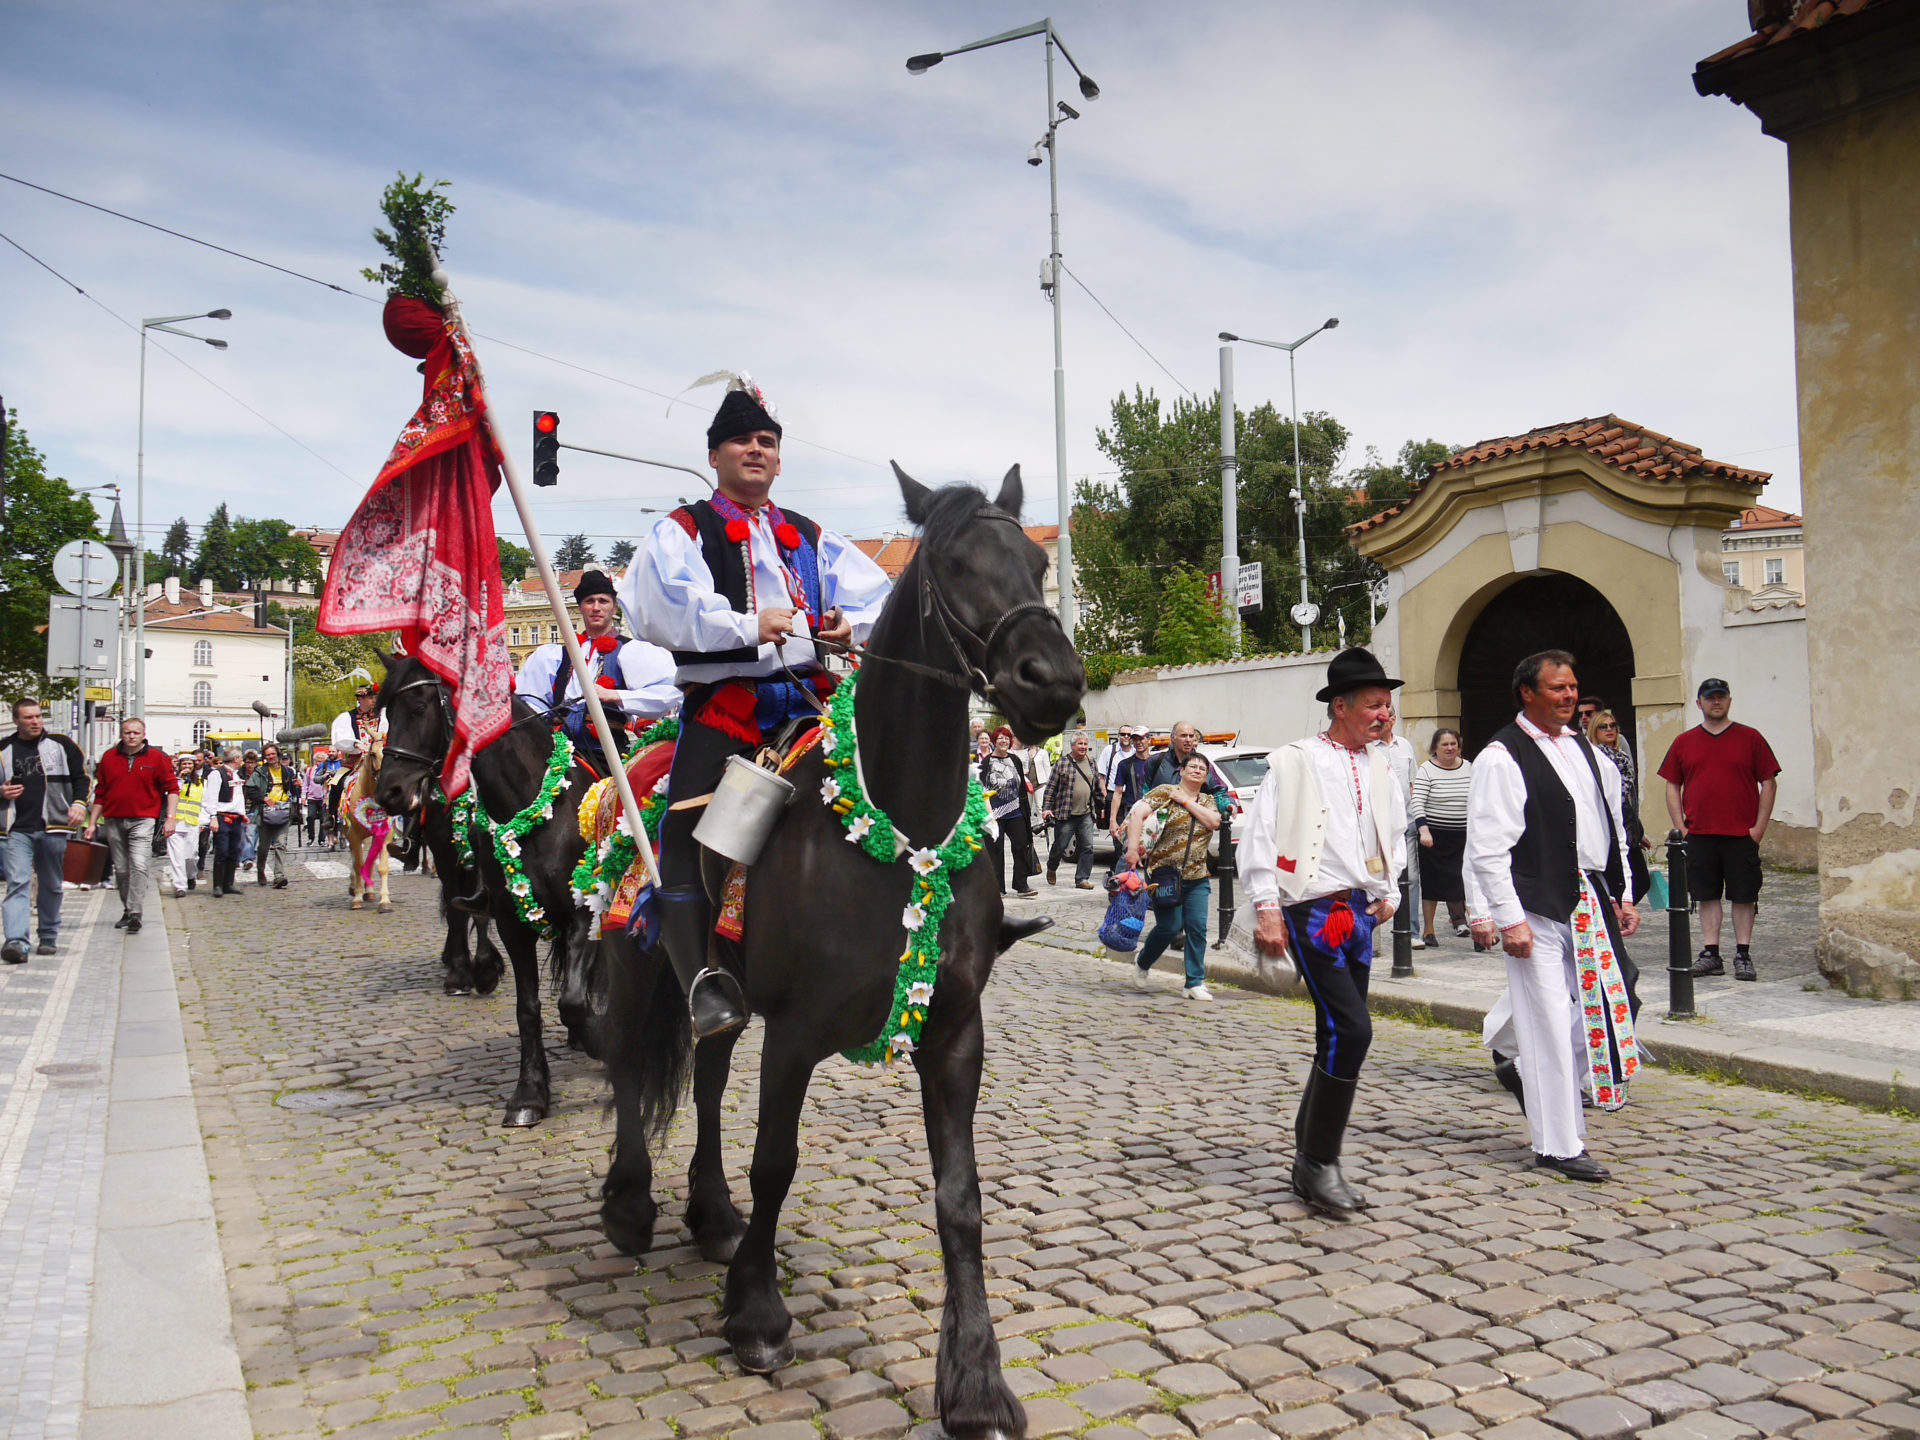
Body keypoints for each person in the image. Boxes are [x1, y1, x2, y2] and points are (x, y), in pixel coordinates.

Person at [619, 374, 891, 1038]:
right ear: (714, 454)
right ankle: (701, 985)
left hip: (812, 702)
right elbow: (662, 606)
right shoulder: (683, 528)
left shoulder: (812, 533)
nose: (757, 449)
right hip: (727, 708)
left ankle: (935, 923)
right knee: (681, 833)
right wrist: (746, 625)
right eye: (742, 439)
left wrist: (846, 627)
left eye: (767, 441)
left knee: (895, 786)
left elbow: (878, 595)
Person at [1241, 648, 1406, 1213]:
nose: (1385, 715)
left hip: (1359, 911)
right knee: (1352, 1031)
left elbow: (1392, 830)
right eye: (1374, 705)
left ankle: (1309, 1156)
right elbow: (1260, 835)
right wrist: (1267, 906)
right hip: (1311, 909)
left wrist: (1390, 890)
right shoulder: (1295, 761)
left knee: (1336, 1032)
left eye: (1388, 705)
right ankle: (1318, 1161)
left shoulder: (1382, 764)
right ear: (1340, 706)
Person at [1465, 650, 1639, 1184]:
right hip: (1534, 898)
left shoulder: (1587, 752)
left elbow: (1613, 826)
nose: (1568, 697)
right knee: (1543, 1018)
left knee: (1615, 1001)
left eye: (1572, 688)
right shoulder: (1502, 755)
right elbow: (1488, 845)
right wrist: (1503, 916)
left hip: (1587, 892)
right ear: (1528, 693)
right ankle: (1559, 1144)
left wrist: (1623, 890)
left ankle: (1524, 1068)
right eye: (1557, 689)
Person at [1658, 679, 1779, 982]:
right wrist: (1681, 826)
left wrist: (1759, 827)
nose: (1716, 702)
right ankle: (1711, 953)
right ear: (1699, 703)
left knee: (1743, 895)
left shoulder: (1750, 738)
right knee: (1706, 894)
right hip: (1700, 833)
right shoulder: (1684, 742)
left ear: (1729, 701)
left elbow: (1769, 781)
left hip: (1740, 833)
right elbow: (1672, 784)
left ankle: (1743, 953)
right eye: (1710, 698)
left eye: (1721, 697)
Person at [515, 569, 679, 756]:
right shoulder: (554, 656)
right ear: (580, 608)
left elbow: (668, 691)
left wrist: (614, 695)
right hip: (557, 750)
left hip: (606, 751)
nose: (596, 607)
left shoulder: (631, 651)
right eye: (589, 601)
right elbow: (530, 703)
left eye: (603, 601)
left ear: (614, 607)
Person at [1126, 752, 1223, 1000]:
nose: (1198, 770)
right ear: (1181, 770)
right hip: (1165, 874)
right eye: (1193, 766)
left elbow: (1213, 822)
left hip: (1197, 876)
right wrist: (1132, 849)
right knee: (1169, 927)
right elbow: (1137, 814)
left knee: (1197, 927)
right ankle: (1143, 961)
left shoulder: (1208, 800)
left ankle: (1193, 982)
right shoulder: (1165, 791)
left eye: (1203, 768)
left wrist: (1187, 802)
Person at [1, 697, 90, 962]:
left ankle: (48, 936)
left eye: (38, 716)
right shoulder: (4, 748)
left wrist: (78, 804)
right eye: (29, 717)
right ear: (16, 720)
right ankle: (16, 942)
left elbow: (81, 778)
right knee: (17, 883)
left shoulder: (62, 745)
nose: (35, 721)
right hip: (15, 829)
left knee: (51, 884)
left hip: (54, 826)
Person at [84, 717, 179, 935]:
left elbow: (172, 789)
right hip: (113, 819)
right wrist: (91, 824)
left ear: (143, 734)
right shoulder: (109, 757)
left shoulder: (156, 758)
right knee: (122, 868)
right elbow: (100, 793)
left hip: (143, 819)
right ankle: (128, 909)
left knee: (138, 864)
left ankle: (136, 912)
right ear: (121, 734)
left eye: (136, 732)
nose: (132, 736)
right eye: (127, 732)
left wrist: (170, 817)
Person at [1413, 728, 1473, 946]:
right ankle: (1429, 931)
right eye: (1444, 744)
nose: (1449, 748)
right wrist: (1424, 830)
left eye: (1453, 744)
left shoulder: (1468, 767)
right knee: (1432, 885)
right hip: (1434, 837)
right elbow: (1417, 801)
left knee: (1466, 882)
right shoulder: (1426, 770)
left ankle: (1477, 927)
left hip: (1462, 837)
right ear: (1435, 748)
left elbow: (1477, 798)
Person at [1587, 709, 1650, 903]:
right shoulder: (1595, 758)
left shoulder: (1621, 757)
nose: (1609, 730)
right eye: (1603, 726)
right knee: (1619, 879)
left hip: (1626, 824)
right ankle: (1611, 914)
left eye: (1612, 726)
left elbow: (1628, 799)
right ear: (1594, 730)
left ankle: (1615, 913)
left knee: (1641, 880)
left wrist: (1637, 831)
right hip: (1606, 827)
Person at [1376, 711, 1422, 948]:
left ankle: (1412, 932)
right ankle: (1373, 927)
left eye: (1385, 719)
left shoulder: (1404, 746)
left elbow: (1413, 783)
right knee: (1375, 875)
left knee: (1411, 878)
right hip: (1379, 825)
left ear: (1393, 720)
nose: (1379, 723)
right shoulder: (1369, 748)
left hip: (1407, 819)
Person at [1042, 731, 1106, 890]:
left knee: (1088, 847)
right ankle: (1052, 866)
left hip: (1086, 814)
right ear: (1072, 746)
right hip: (1065, 814)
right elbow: (1051, 788)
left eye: (1085, 744)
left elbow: (1097, 787)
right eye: (1080, 744)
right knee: (1060, 846)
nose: (1083, 747)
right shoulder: (1062, 763)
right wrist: (1046, 809)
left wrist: (1101, 807)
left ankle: (1082, 878)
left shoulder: (1092, 763)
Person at [979, 727, 1036, 898]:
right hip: (994, 813)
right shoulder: (986, 762)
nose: (1003, 741)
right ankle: (998, 888)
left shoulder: (1015, 760)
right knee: (995, 851)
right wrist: (988, 813)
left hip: (1016, 811)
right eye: (1000, 738)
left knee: (1021, 846)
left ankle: (1021, 885)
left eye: (1006, 739)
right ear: (994, 741)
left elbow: (1021, 786)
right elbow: (982, 789)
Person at [246, 742, 297, 890]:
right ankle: (261, 869)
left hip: (283, 810)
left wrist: (296, 786)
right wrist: (263, 798)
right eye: (268, 755)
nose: (271, 757)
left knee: (281, 844)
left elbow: (292, 791)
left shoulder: (287, 771)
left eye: (273, 754)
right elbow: (250, 789)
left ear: (277, 754)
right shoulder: (260, 772)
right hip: (265, 812)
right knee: (264, 846)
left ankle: (278, 876)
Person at [204, 749, 249, 897]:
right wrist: (213, 817)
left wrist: (242, 814)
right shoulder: (217, 774)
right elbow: (210, 797)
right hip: (222, 817)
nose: (242, 760)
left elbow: (238, 797)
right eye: (240, 757)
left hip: (236, 817)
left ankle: (228, 883)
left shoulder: (237, 774)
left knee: (233, 851)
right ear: (236, 758)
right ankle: (217, 885)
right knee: (221, 851)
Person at [1107, 727, 1156, 850]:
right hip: (1131, 812)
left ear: (1148, 740)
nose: (1138, 742)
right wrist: (1113, 820)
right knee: (1128, 851)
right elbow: (1117, 794)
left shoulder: (1157, 763)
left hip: (1153, 813)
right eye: (1135, 739)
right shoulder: (1125, 764)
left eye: (1141, 739)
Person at [166, 753, 205, 897]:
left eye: (189, 764)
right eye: (184, 764)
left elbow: (204, 803)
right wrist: (180, 778)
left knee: (191, 856)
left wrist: (204, 822)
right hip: (176, 823)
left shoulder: (200, 782)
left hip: (192, 823)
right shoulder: (174, 780)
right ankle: (180, 886)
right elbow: (170, 793)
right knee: (177, 857)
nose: (187, 767)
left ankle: (191, 876)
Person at [331, 683, 385, 759]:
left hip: (380, 756)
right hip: (358, 757)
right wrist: (356, 744)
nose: (374, 700)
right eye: (371, 698)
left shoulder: (382, 715)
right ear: (360, 699)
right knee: (342, 771)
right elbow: (342, 738)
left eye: (375, 697)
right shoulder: (348, 717)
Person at [302, 752, 331, 848]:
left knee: (323, 819)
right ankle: (311, 837)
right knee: (310, 816)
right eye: (318, 761)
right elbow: (305, 784)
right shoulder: (310, 770)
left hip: (324, 798)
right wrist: (303, 796)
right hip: (312, 798)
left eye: (322, 761)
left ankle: (321, 840)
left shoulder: (327, 770)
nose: (319, 763)